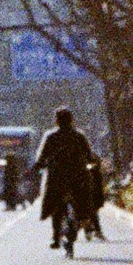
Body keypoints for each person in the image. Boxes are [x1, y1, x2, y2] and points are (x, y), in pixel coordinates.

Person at [31, 109, 97, 255]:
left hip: (57, 177)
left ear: (56, 120)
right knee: (84, 202)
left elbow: (41, 158)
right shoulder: (79, 136)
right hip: (78, 176)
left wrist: (38, 166)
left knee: (54, 204)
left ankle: (55, 237)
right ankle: (84, 221)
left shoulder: (51, 136)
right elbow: (89, 155)